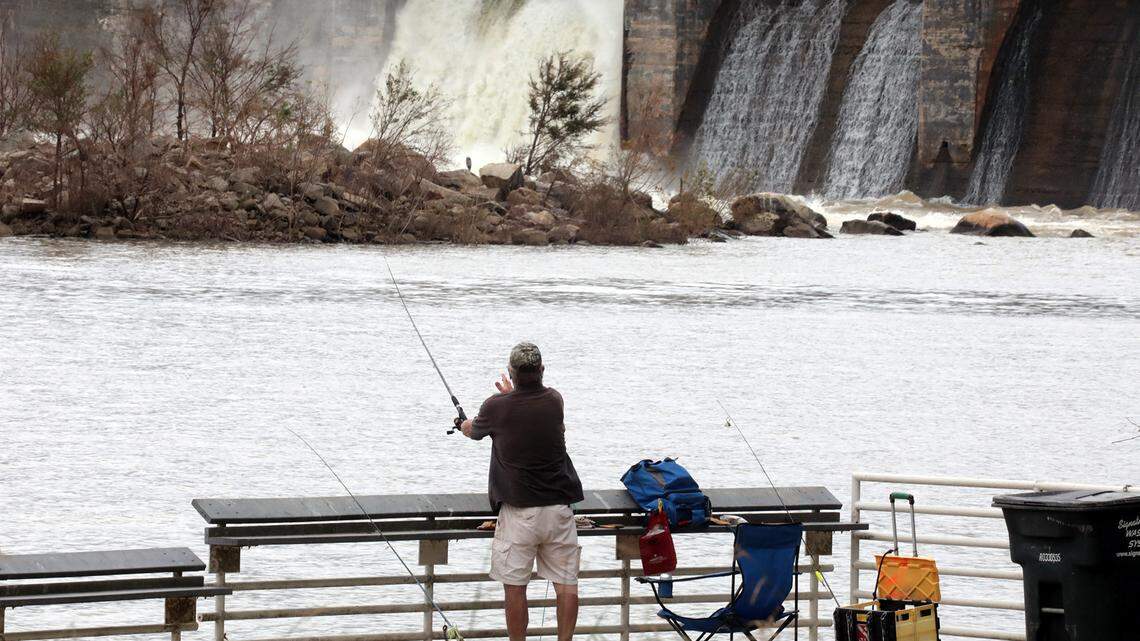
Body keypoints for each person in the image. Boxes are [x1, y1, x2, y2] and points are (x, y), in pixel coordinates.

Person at [460, 342, 584, 641]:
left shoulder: (495, 407)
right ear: (542, 370)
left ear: (511, 372)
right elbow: (525, 408)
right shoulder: (554, 400)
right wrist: (511, 395)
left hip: (519, 513)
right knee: (567, 584)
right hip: (558, 510)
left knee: (515, 587)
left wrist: (461, 423)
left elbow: (473, 431)